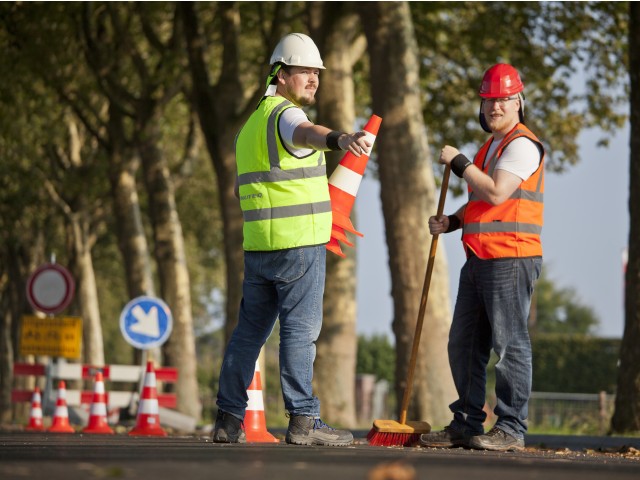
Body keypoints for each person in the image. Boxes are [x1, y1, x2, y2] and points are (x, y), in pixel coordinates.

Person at [212, 33, 371, 446]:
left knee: (248, 334)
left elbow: (239, 188)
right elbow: (307, 133)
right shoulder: (287, 116)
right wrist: (340, 139)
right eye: (304, 71)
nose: (313, 79)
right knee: (300, 333)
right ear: (280, 75)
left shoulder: (250, 127)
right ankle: (303, 421)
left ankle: (228, 420)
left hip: (259, 247)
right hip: (299, 246)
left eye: (316, 72)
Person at [419, 63, 544, 452]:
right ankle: (467, 422)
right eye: (488, 100)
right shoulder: (490, 147)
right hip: (478, 258)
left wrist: (459, 163)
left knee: (509, 345)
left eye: (503, 99)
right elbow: (480, 205)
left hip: (510, 258)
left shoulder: (522, 145)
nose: (494, 107)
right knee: (464, 343)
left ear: (518, 101)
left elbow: (495, 193)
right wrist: (453, 221)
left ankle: (510, 428)